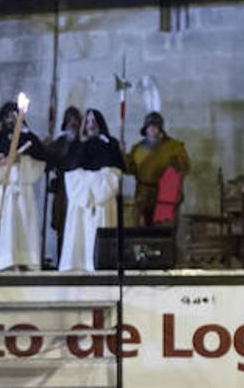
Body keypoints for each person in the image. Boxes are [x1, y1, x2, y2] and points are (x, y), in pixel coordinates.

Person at [0, 101, 51, 271]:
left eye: (14, 115)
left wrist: (22, 161)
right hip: (0, 190)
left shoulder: (28, 138)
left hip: (21, 191)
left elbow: (40, 163)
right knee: (2, 230)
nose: (11, 119)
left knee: (22, 228)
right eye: (8, 116)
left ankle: (23, 261)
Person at [58, 109, 125, 272]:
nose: (91, 124)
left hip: (104, 195)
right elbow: (71, 171)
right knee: (79, 234)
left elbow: (116, 170)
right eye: (87, 121)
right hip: (81, 198)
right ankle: (78, 264)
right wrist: (89, 181)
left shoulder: (111, 143)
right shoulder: (78, 145)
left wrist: (95, 183)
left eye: (94, 121)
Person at [126, 112, 191, 227]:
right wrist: (122, 154)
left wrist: (176, 188)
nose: (152, 128)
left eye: (155, 125)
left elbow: (183, 168)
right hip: (143, 194)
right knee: (142, 231)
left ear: (160, 128)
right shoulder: (137, 149)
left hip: (165, 194)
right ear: (145, 128)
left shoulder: (174, 147)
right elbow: (130, 169)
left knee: (165, 231)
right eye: (149, 125)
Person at [45, 107, 82, 267]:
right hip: (61, 190)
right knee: (61, 226)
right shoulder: (58, 143)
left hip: (78, 190)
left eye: (75, 121)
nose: (72, 124)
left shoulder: (82, 144)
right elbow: (48, 163)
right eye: (70, 120)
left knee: (74, 226)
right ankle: (60, 260)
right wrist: (45, 149)